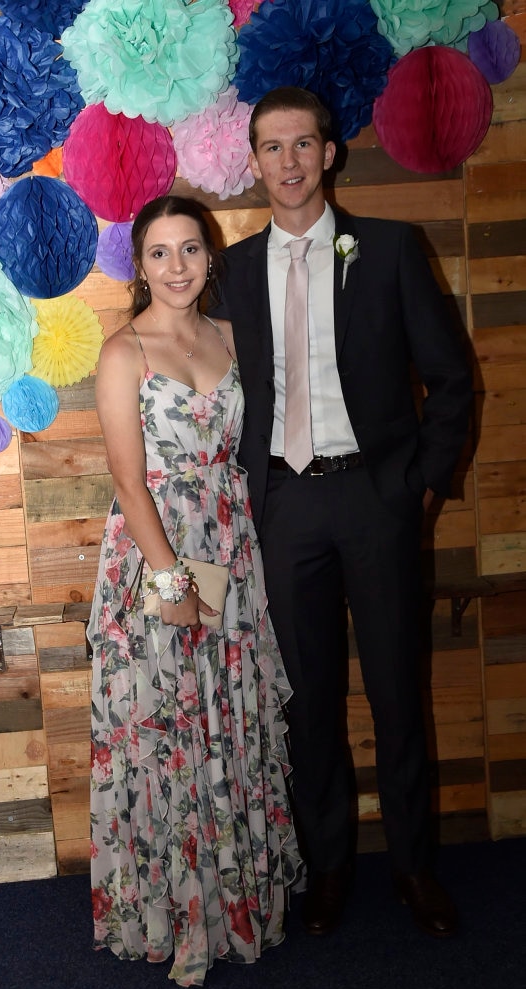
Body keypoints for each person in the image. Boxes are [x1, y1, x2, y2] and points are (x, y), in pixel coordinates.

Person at [208, 87, 473, 940]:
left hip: (377, 499)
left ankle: (412, 868)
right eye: (271, 147)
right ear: (254, 161)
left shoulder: (390, 249)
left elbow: (453, 379)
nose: (288, 162)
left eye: (302, 145)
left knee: (399, 692)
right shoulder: (235, 271)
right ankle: (327, 871)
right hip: (284, 508)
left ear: (330, 154)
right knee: (307, 702)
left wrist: (420, 487)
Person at [87, 195, 304, 987]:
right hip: (159, 550)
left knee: (230, 715)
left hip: (232, 547)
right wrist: (171, 578)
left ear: (211, 259)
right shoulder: (123, 352)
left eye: (190, 251)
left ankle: (238, 900)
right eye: (159, 253)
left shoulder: (233, 338)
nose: (176, 267)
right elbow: (127, 478)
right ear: (138, 266)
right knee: (173, 722)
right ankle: (176, 909)